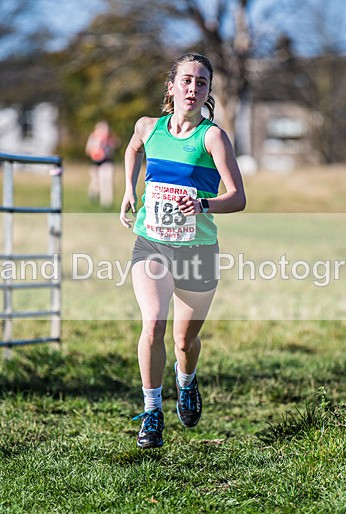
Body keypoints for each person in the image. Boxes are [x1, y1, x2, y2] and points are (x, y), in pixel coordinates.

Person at [119, 52, 246, 449]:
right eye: (187, 80)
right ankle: (152, 412)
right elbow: (133, 148)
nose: (193, 89)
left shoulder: (212, 137)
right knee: (153, 323)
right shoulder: (148, 126)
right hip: (151, 242)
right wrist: (128, 188)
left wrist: (204, 203)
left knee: (183, 342)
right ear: (171, 86)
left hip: (198, 250)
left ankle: (186, 380)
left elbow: (238, 197)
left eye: (202, 83)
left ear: (208, 91)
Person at [86, 120, 119, 208]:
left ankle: (107, 203)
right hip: (95, 164)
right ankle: (94, 195)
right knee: (96, 182)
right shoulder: (93, 138)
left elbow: (115, 148)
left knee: (107, 181)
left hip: (107, 162)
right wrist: (97, 145)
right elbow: (88, 151)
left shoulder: (110, 139)